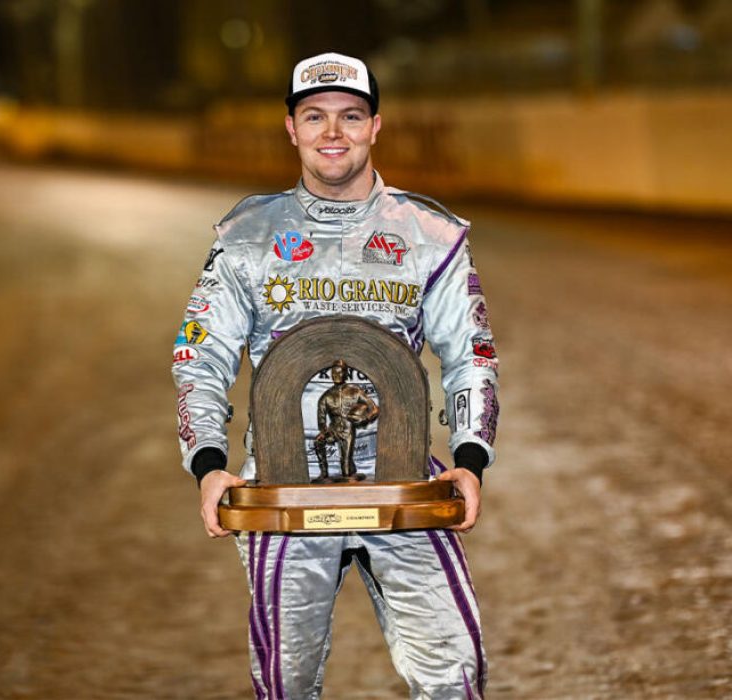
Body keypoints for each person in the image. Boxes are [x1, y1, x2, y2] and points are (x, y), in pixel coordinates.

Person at [172, 51, 499, 700]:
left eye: (350, 116)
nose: (332, 132)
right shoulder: (246, 236)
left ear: (375, 126)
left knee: (455, 676)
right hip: (280, 489)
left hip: (404, 483)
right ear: (290, 127)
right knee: (286, 686)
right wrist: (208, 463)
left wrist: (469, 459)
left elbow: (472, 354)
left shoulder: (432, 234)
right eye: (314, 115)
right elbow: (198, 357)